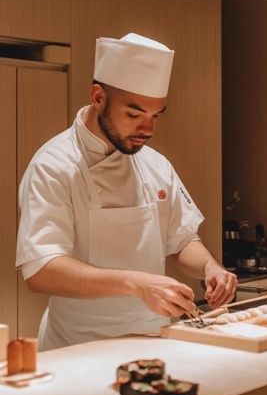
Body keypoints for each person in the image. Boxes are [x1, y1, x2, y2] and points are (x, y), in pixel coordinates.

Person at [16, 33, 237, 350]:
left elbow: (182, 238)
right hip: (78, 349)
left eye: (155, 116)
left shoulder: (155, 164)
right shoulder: (54, 165)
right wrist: (137, 283)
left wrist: (209, 268)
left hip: (156, 342)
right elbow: (41, 269)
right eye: (134, 114)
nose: (147, 130)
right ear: (98, 97)